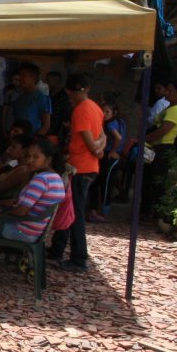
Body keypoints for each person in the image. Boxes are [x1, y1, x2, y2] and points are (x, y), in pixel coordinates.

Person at [49, 73, 104, 272]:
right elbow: (102, 137)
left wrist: (96, 148)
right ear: (88, 88)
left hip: (79, 167)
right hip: (89, 166)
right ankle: (57, 249)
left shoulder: (80, 110)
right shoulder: (96, 108)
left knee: (75, 214)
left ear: (68, 91)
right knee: (69, 209)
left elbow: (90, 143)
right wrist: (99, 148)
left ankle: (79, 258)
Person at [0, 139, 67, 243]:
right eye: (28, 156)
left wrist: (3, 213)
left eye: (35, 157)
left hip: (21, 231)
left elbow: (21, 212)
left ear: (48, 160)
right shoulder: (56, 178)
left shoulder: (41, 179)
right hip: (36, 232)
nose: (29, 160)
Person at [141, 78, 177, 218]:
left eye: (170, 91)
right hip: (158, 146)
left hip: (162, 148)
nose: (167, 93)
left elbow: (162, 130)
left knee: (152, 181)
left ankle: (149, 212)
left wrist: (142, 139)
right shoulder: (172, 106)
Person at [88, 100, 125, 222]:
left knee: (105, 183)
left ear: (114, 112)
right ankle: (97, 210)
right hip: (114, 156)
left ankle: (104, 212)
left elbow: (118, 138)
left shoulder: (110, 125)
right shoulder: (120, 122)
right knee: (101, 182)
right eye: (102, 111)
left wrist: (113, 150)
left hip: (110, 156)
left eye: (107, 111)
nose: (104, 114)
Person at [9, 64, 51, 137]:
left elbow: (46, 125)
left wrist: (35, 140)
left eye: (23, 76)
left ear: (33, 77)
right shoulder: (20, 98)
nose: (20, 78)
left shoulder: (41, 98)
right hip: (18, 140)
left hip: (32, 139)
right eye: (20, 75)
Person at [45, 70, 71, 143]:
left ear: (56, 80)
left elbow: (66, 117)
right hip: (46, 131)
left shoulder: (65, 97)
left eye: (48, 80)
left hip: (58, 134)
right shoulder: (48, 95)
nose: (46, 83)